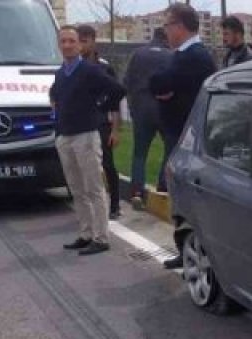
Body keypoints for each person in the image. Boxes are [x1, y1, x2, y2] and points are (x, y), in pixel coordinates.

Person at [149, 3, 216, 268]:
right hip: (178, 135)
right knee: (180, 197)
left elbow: (159, 83)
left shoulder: (194, 57)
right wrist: (163, 89)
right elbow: (159, 84)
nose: (165, 31)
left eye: (168, 25)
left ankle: (196, 250)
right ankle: (186, 248)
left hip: (187, 137)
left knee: (187, 198)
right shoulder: (183, 55)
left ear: (179, 26)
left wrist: (164, 90)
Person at [50, 25, 125, 256]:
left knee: (93, 188)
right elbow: (54, 95)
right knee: (77, 189)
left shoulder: (90, 70)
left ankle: (101, 237)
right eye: (63, 41)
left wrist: (97, 107)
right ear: (59, 45)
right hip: (66, 137)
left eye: (72, 41)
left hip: (86, 136)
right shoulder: (60, 73)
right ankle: (85, 233)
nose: (68, 45)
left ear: (79, 44)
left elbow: (117, 90)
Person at [123, 27, 176, 209]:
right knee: (170, 148)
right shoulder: (171, 56)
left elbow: (127, 82)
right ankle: (162, 186)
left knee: (139, 153)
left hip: (141, 109)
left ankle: (137, 192)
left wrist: (133, 105)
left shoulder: (137, 54)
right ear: (166, 38)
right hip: (164, 109)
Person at [76, 24, 123, 221]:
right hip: (80, 125)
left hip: (102, 123)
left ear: (93, 42)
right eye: (78, 41)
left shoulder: (104, 67)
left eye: (84, 41)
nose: (80, 46)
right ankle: (89, 207)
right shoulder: (73, 67)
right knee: (83, 167)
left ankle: (115, 206)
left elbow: (115, 101)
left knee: (108, 165)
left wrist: (115, 129)